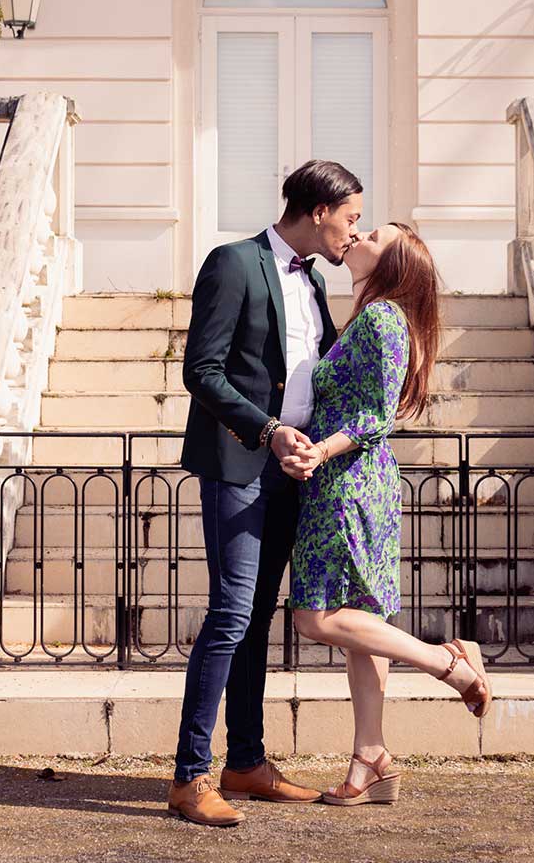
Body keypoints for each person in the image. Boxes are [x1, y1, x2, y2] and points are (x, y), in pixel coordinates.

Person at [167, 160, 363, 828]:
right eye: (350, 218)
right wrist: (270, 429)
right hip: (239, 464)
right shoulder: (234, 263)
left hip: (294, 471)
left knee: (256, 617)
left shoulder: (311, 282)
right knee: (230, 612)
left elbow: (319, 372)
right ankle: (190, 776)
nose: (352, 231)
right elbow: (203, 369)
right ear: (318, 212)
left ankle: (246, 763)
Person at [285, 221, 494, 807]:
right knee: (359, 630)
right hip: (353, 481)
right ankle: (370, 759)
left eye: (373, 234)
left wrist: (320, 450)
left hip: (347, 483)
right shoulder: (367, 319)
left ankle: (447, 662)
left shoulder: (382, 320)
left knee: (314, 617)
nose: (358, 236)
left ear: (393, 263)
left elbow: (377, 416)